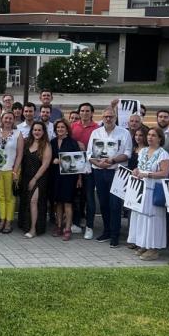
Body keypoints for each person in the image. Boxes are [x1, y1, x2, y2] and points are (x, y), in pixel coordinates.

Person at [87, 109, 132, 247]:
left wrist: (113, 161)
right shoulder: (96, 133)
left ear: (115, 117)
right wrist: (98, 163)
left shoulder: (124, 133)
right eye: (106, 116)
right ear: (102, 118)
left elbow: (127, 153)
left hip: (117, 173)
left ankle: (115, 235)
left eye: (111, 116)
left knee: (115, 205)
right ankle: (106, 231)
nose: (108, 119)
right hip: (99, 172)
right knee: (104, 203)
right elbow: (89, 154)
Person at [127, 129, 169, 261]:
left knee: (153, 219)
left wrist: (147, 174)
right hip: (141, 189)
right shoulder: (143, 151)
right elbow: (140, 167)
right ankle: (144, 243)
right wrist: (136, 170)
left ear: (160, 138)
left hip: (154, 190)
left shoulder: (163, 154)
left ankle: (154, 248)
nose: (150, 137)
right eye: (149, 135)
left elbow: (164, 173)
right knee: (140, 217)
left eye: (154, 135)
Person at [71, 102, 100, 238]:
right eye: (82, 110)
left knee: (89, 197)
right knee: (76, 196)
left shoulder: (97, 128)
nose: (84, 113)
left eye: (87, 111)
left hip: (90, 166)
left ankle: (89, 226)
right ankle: (76, 223)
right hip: (76, 165)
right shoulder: (73, 126)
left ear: (92, 113)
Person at [0, 112, 23, 234]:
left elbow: (20, 154)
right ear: (2, 119)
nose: (8, 120)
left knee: (10, 196)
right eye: (6, 118)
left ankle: (9, 221)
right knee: (0, 196)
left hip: (11, 169)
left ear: (14, 119)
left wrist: (15, 170)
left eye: (10, 118)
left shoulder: (18, 134)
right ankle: (2, 220)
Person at [19, 122, 51, 238]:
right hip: (26, 177)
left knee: (34, 201)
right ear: (32, 131)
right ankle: (27, 225)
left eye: (39, 130)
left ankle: (33, 229)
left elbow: (45, 165)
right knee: (27, 201)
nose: (37, 132)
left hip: (39, 178)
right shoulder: (27, 143)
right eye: (35, 130)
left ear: (43, 132)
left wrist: (35, 179)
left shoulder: (46, 145)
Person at [50, 119, 81, 240]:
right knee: (58, 202)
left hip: (69, 177)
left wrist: (79, 178)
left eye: (62, 127)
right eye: (58, 128)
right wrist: (53, 160)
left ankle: (67, 228)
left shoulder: (73, 143)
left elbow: (78, 162)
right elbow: (48, 157)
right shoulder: (52, 142)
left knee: (68, 203)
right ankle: (58, 226)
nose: (60, 130)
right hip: (55, 176)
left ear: (67, 129)